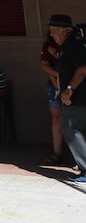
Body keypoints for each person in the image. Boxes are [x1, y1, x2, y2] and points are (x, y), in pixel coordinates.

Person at [49, 13, 86, 182]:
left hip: (78, 98)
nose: (51, 34)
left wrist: (69, 89)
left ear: (65, 30)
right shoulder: (67, 46)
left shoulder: (73, 45)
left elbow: (82, 69)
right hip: (75, 97)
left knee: (70, 128)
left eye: (54, 30)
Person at [41, 18, 67, 164]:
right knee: (56, 118)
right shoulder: (47, 45)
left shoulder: (72, 46)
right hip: (54, 84)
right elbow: (44, 65)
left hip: (71, 84)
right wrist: (56, 77)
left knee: (73, 120)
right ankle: (57, 153)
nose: (53, 34)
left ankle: (79, 157)